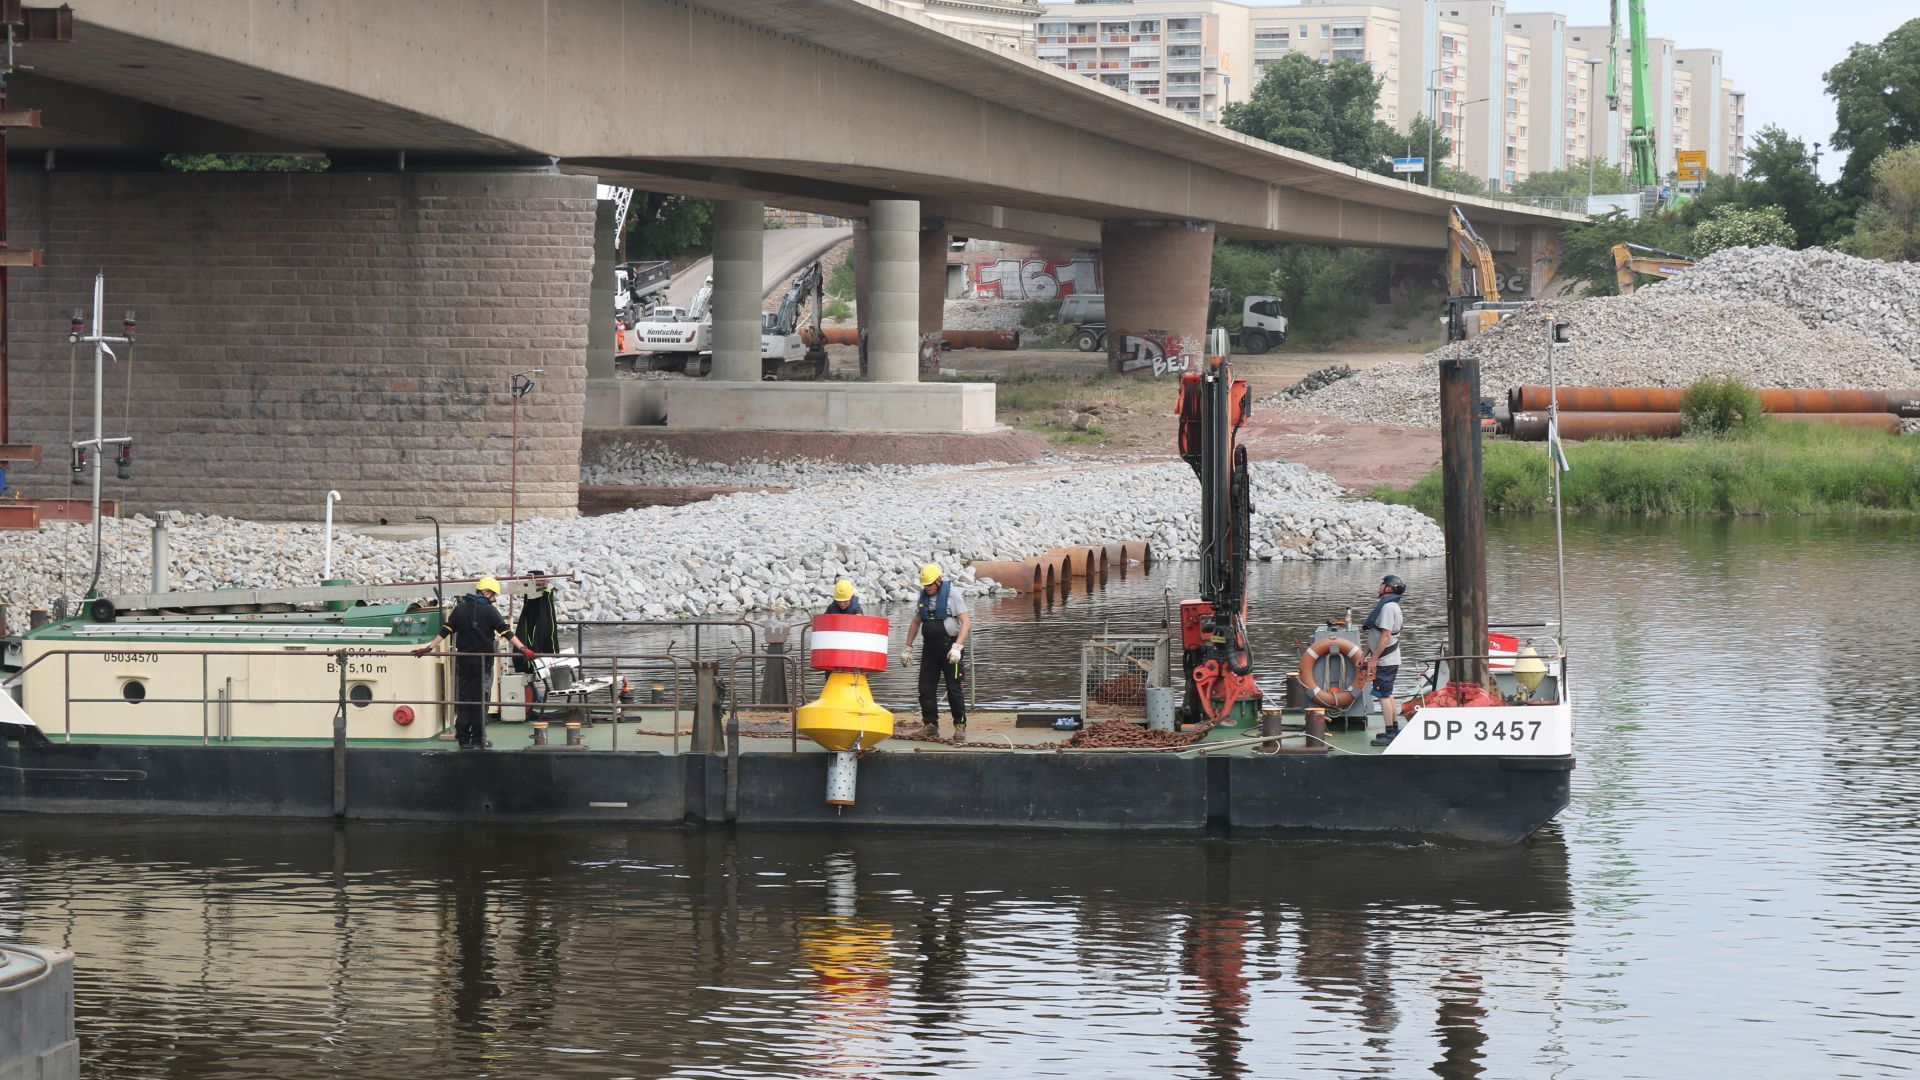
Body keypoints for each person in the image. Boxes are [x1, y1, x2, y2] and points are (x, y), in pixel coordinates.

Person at [413, 576, 536, 749]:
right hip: (483, 662)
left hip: (463, 661)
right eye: (494, 595)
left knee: (464, 698)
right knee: (481, 699)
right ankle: (479, 739)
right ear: (487, 592)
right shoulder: (491, 612)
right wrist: (523, 649)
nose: (494, 599)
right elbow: (506, 633)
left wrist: (428, 647)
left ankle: (463, 739)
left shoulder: (460, 609)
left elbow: (445, 630)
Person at [902, 563, 970, 741]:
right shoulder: (923, 596)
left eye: (930, 584)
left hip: (950, 648)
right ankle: (930, 725)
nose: (927, 588)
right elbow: (916, 621)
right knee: (925, 687)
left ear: (939, 581)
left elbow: (966, 622)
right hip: (930, 648)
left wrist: (958, 647)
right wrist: (908, 647)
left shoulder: (952, 595)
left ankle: (960, 725)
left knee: (953, 688)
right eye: (925, 585)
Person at [1362, 574, 1407, 746]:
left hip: (1385, 660)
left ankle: (1390, 734)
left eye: (1383, 583)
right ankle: (1394, 729)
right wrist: (1363, 654)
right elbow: (1375, 633)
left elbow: (1386, 636)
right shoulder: (1387, 606)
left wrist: (1373, 659)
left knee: (1383, 695)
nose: (1379, 585)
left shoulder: (1388, 608)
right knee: (1388, 695)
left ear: (1389, 588)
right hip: (1386, 658)